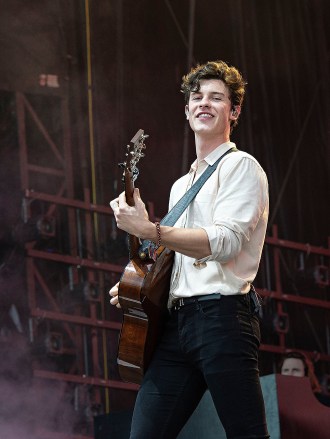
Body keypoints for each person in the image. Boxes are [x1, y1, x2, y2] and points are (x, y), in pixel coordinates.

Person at [109, 60, 270, 438]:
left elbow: (224, 242)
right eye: (197, 97)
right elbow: (173, 258)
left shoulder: (241, 166)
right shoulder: (181, 186)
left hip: (224, 316)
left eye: (217, 98)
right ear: (186, 111)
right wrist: (138, 284)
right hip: (177, 324)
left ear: (234, 111)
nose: (205, 103)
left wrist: (151, 229)